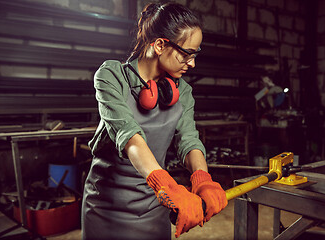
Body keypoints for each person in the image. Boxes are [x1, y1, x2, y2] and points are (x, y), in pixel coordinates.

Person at [81, 2, 227, 240]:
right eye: (187, 54)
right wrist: (167, 186)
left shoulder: (183, 93)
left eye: (195, 54)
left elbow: (189, 141)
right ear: (160, 45)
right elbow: (130, 138)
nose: (192, 63)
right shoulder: (111, 77)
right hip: (106, 207)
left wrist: (202, 178)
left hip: (155, 204)